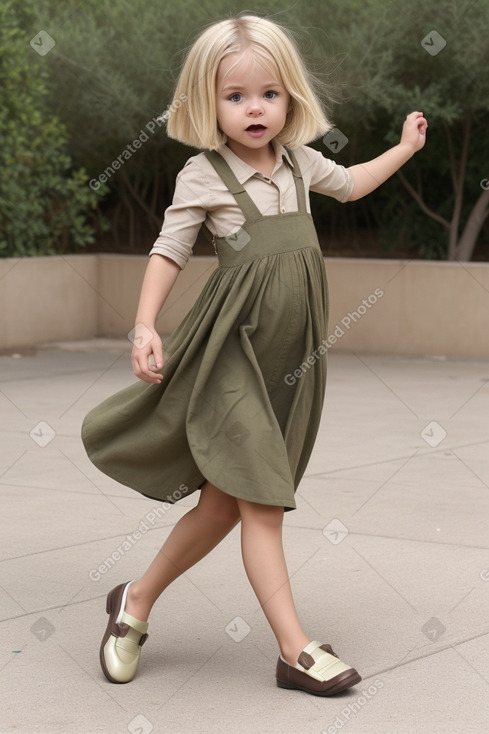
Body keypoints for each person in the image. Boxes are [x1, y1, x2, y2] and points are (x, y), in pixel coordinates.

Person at [82, 14, 427, 695]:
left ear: (289, 96)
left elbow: (353, 183)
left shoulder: (301, 163)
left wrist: (406, 148)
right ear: (207, 103)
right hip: (229, 356)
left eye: (268, 93)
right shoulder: (203, 174)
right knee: (262, 504)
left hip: (288, 360)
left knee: (221, 506)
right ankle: (295, 649)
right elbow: (169, 249)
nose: (254, 108)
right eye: (235, 96)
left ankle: (136, 601)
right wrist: (145, 325)